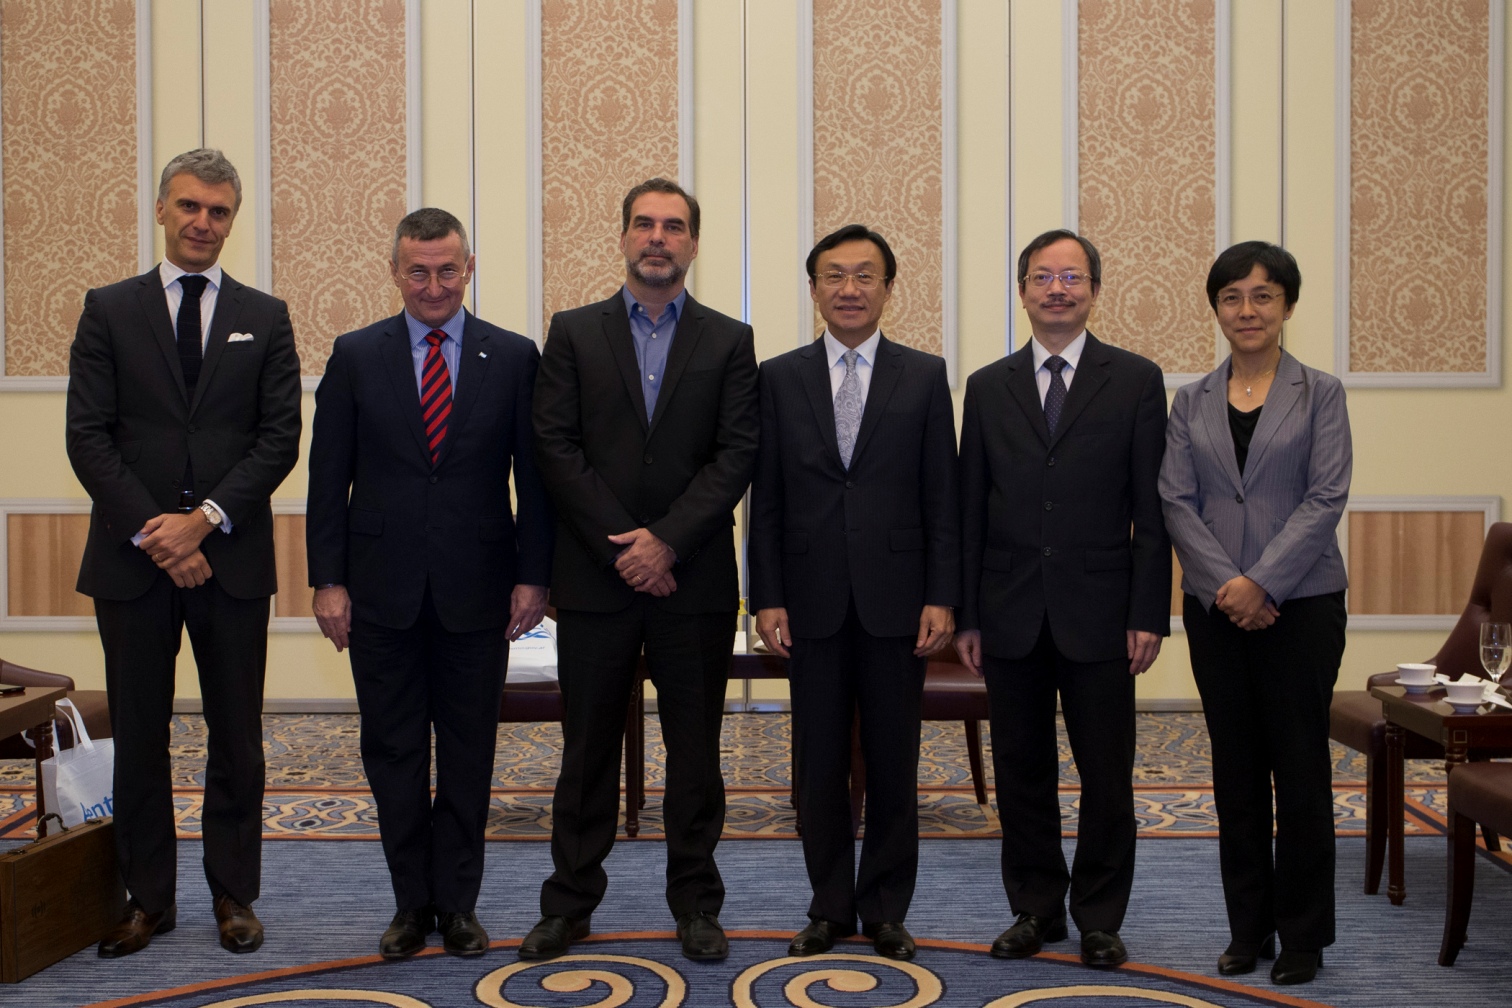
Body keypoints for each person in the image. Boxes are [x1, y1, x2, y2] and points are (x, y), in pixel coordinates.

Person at [65, 149, 302, 957]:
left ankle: (235, 894)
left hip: (229, 561)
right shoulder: (108, 309)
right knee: (140, 734)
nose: (204, 222)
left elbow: (279, 438)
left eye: (219, 210)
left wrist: (200, 522)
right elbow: (88, 437)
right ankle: (147, 899)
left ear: (233, 218)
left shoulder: (265, 315)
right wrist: (158, 534)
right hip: (132, 564)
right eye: (191, 206)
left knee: (237, 736)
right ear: (162, 208)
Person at [305, 208, 552, 959]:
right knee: (395, 753)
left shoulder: (514, 357)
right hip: (380, 593)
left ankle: (459, 904)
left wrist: (533, 578)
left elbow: (535, 481)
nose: (434, 285)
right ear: (395, 272)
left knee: (470, 753)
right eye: (419, 271)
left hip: (480, 591)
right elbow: (328, 479)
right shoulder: (356, 355)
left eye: (448, 270)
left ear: (468, 269)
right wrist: (327, 582)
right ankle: (411, 905)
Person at [523, 178, 758, 962]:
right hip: (597, 581)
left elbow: (736, 454)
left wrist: (668, 542)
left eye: (674, 226)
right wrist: (627, 548)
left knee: (695, 755)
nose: (659, 238)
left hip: (694, 582)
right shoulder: (572, 333)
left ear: (693, 243)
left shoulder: (730, 340)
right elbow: (555, 447)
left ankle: (696, 905)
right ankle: (568, 905)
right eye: (646, 224)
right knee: (586, 750)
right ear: (623, 236)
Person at [957, 229, 1169, 968]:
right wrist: (968, 614)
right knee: (1022, 771)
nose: (1057, 288)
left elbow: (1152, 510)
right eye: (1043, 277)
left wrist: (1148, 612)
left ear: (1094, 292)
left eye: (1071, 277)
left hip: (1103, 613)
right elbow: (970, 508)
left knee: (1106, 774)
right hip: (1009, 610)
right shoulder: (988, 386)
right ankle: (1035, 908)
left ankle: (1100, 917)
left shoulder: (1135, 380)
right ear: (1022, 291)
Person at [747, 224, 958, 960]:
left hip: (899, 601)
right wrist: (765, 595)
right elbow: (766, 498)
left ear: (888, 289)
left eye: (865, 275)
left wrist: (942, 594)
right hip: (809, 601)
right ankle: (829, 906)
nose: (849, 289)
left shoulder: (924, 375)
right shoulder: (779, 376)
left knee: (895, 761)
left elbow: (942, 495)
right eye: (834, 276)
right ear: (813, 289)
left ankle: (887, 909)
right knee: (819, 765)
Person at [1159, 242, 1349, 986]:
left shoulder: (1320, 392)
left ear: (1287, 306)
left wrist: (1262, 583)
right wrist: (1227, 586)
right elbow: (1176, 500)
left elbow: (1326, 496)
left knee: (1299, 771)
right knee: (1235, 773)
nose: (1247, 310)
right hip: (1216, 611)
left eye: (1263, 296)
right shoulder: (1191, 401)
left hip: (1301, 605)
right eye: (1232, 297)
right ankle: (1248, 929)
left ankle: (1304, 934)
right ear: (1216, 309)